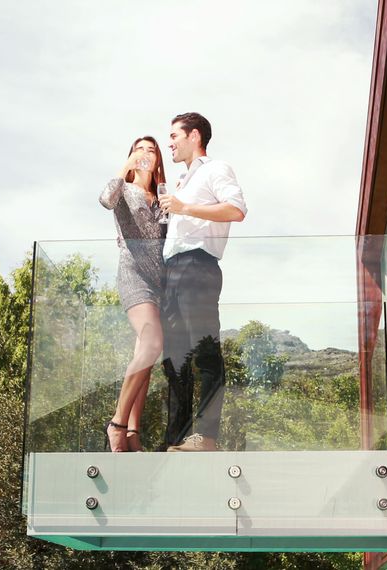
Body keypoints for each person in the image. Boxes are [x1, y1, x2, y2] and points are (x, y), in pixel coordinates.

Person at [157, 112, 246, 452]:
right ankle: (175, 440)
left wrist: (186, 207)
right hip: (172, 272)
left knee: (205, 352)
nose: (170, 143)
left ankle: (207, 437)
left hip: (199, 266)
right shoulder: (181, 181)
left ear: (194, 136)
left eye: (174, 136)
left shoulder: (215, 170)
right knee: (174, 359)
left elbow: (236, 210)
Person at [99, 136, 168, 452]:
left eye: (151, 150)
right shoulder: (124, 191)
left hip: (160, 284)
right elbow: (105, 199)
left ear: (158, 161)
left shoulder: (163, 196)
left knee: (147, 355)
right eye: (138, 149)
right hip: (134, 276)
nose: (145, 154)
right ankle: (117, 424)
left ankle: (132, 434)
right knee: (153, 344)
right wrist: (126, 168)